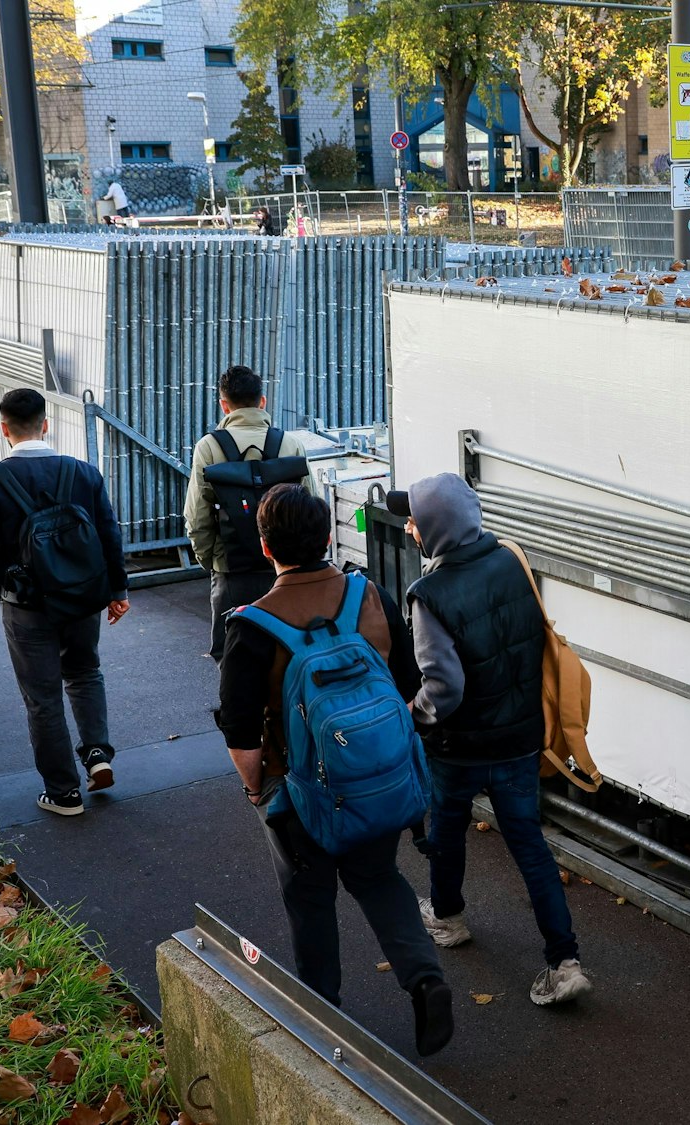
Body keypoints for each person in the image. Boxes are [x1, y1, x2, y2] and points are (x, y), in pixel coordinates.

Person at [217, 484, 456, 1054]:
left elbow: (240, 732)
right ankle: (425, 978)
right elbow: (403, 687)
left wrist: (259, 792)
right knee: (379, 878)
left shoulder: (251, 626)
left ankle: (323, 1015)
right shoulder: (365, 595)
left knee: (309, 897)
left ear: (265, 545)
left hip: (299, 794)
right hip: (376, 781)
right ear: (327, 537)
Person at [397, 473, 593, 1007]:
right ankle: (564, 960)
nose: (410, 527)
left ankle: (447, 917)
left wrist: (415, 715)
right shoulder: (512, 559)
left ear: (434, 528)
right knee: (529, 846)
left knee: (448, 829)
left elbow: (445, 686)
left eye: (415, 519)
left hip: (460, 746)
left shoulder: (428, 596)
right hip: (521, 738)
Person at [0, 388, 131, 817]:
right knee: (85, 671)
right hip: (82, 598)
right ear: (47, 423)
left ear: (4, 430)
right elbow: (109, 535)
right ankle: (97, 755)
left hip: (27, 606)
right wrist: (117, 591)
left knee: (42, 696)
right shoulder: (83, 473)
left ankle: (63, 793)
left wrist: (2, 588)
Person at [184, 364, 315, 661]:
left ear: (224, 405)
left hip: (232, 568)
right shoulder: (290, 444)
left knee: (232, 654)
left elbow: (196, 516)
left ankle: (238, 707)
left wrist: (212, 560)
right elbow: (312, 507)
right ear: (263, 401)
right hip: (286, 570)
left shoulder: (209, 447)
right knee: (289, 650)